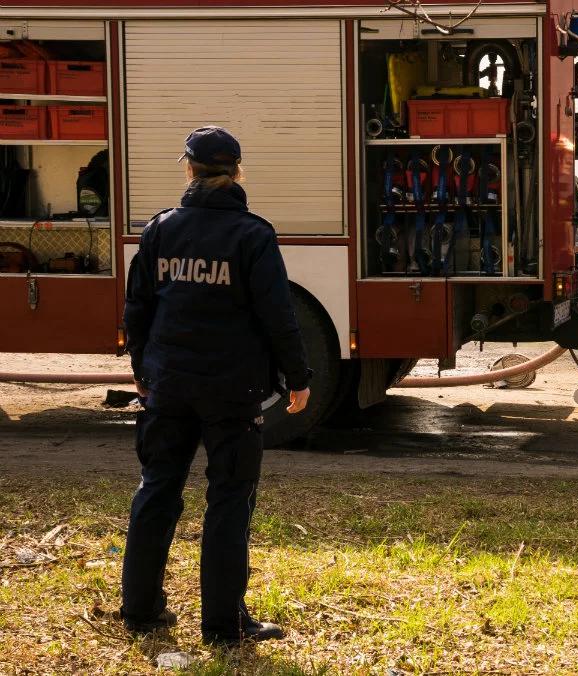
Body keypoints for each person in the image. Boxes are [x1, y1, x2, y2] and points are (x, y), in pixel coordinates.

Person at [120, 126, 312, 646]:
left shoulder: (160, 230)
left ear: (189, 169)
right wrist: (299, 380)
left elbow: (137, 305)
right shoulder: (252, 235)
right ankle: (224, 627)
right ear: (237, 173)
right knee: (229, 498)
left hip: (168, 386)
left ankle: (139, 609)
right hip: (232, 392)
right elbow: (279, 316)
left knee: (158, 488)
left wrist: (143, 368)